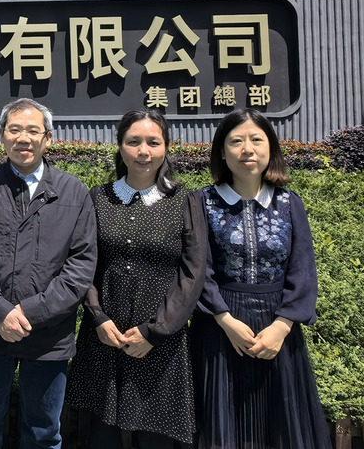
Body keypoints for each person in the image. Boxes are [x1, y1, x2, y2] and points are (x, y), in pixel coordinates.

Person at [0, 98, 97, 448]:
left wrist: (30, 312)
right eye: (15, 129)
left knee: (44, 431)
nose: (23, 138)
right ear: (2, 136)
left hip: (49, 335)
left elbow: (80, 265)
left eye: (33, 130)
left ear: (48, 139)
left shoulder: (73, 191)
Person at [190, 108, 331, 449]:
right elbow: (197, 269)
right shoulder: (202, 202)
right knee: (221, 425)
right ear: (222, 152)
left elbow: (302, 270)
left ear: (271, 149)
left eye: (256, 139)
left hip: (278, 328)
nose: (247, 149)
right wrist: (225, 320)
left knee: (282, 427)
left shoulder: (289, 203)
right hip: (219, 329)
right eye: (236, 141)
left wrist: (282, 326)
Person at [66, 109, 206, 448]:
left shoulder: (184, 201)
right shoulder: (98, 198)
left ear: (166, 147)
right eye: (134, 142)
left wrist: (155, 331)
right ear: (120, 146)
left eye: (153, 142)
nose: (143, 151)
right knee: (101, 437)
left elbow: (193, 272)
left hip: (162, 341)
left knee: (157, 437)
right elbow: (82, 263)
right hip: (105, 337)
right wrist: (98, 317)